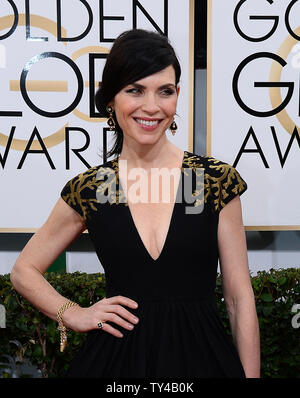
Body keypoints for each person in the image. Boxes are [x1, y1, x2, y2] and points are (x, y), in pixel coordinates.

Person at [10, 29, 260, 378]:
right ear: (111, 99)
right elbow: (23, 270)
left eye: (165, 91)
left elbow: (238, 298)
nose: (152, 106)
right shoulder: (95, 188)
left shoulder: (210, 180)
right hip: (115, 362)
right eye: (135, 90)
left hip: (203, 360)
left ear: (177, 96)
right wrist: (74, 312)